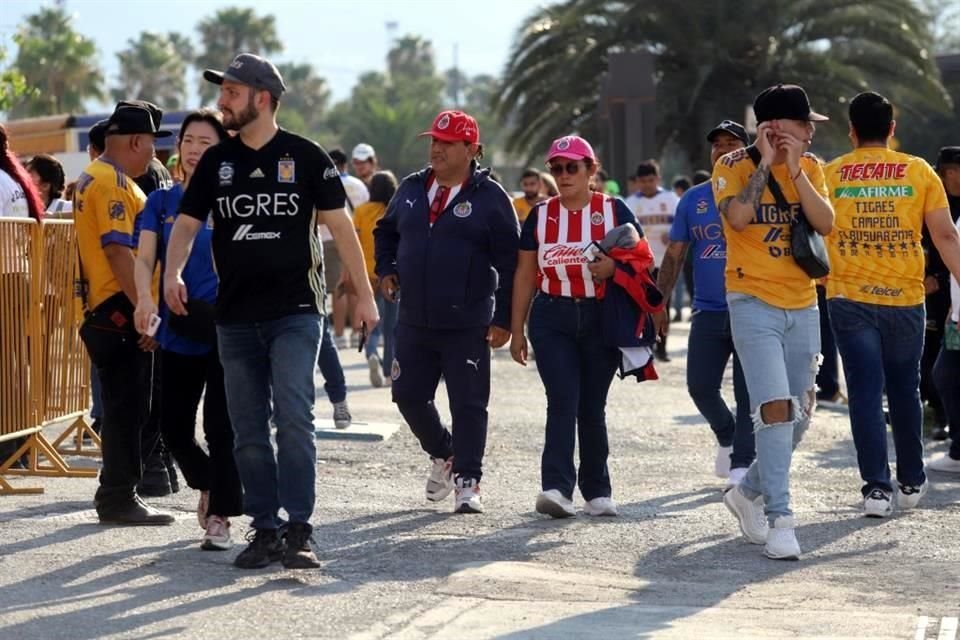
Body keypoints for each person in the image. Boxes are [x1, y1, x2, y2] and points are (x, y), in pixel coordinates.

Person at [163, 53, 378, 569]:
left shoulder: (305, 157)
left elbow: (342, 227)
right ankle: (265, 529)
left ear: (262, 98)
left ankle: (300, 529)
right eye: (222, 93)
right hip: (233, 317)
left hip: (296, 311)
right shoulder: (218, 162)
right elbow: (188, 225)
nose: (221, 102)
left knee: (295, 417)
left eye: (232, 92)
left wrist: (366, 295)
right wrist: (170, 274)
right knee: (247, 428)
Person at [374, 110, 518, 514]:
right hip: (415, 320)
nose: (436, 148)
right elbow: (385, 232)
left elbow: (511, 262)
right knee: (406, 395)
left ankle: (468, 481)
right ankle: (444, 452)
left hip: (467, 322)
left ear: (471, 149)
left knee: (468, 404)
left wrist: (505, 318)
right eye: (433, 140)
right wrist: (386, 269)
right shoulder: (410, 188)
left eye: (447, 142)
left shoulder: (491, 199)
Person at [824, 92, 960, 516]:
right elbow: (945, 236)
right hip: (905, 296)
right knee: (904, 387)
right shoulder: (918, 171)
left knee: (864, 391)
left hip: (848, 296)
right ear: (892, 129)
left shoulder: (830, 173)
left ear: (851, 130)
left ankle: (876, 490)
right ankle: (912, 479)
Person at [715, 84, 834, 560]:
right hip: (751, 299)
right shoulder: (730, 165)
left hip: (803, 302)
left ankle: (747, 493)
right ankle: (782, 518)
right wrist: (765, 162)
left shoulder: (814, 168)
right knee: (774, 408)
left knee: (800, 413)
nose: (810, 131)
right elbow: (740, 218)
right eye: (804, 123)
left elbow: (825, 223)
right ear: (777, 127)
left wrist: (795, 169)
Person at [509, 135, 638, 519]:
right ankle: (556, 488)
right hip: (552, 316)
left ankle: (597, 490)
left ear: (590, 170)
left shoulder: (615, 210)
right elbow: (525, 273)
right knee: (562, 399)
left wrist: (615, 268)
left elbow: (642, 261)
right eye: (556, 168)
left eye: (571, 167)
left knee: (592, 406)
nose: (563, 175)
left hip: (601, 316)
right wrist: (517, 329)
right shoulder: (540, 215)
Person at [133, 109, 243, 551]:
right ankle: (210, 484)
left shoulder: (234, 199)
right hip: (177, 325)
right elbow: (143, 260)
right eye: (189, 140)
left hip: (226, 327)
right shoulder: (160, 202)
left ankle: (220, 516)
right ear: (178, 146)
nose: (196, 149)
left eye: (206, 142)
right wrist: (144, 299)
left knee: (221, 427)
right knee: (173, 427)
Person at [74, 101, 174, 525]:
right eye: (152, 143)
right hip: (120, 307)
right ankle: (118, 496)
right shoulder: (114, 183)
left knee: (127, 407)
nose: (153, 153)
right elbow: (117, 251)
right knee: (127, 409)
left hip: (109, 307)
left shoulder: (94, 176)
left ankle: (119, 490)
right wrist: (145, 311)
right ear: (136, 140)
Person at [654, 120, 755, 488]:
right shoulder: (693, 199)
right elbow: (675, 253)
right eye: (718, 145)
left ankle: (743, 464)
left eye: (732, 143)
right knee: (699, 386)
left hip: (752, 308)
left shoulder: (759, 191)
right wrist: (659, 301)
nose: (724, 150)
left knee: (748, 393)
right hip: (709, 311)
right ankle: (728, 435)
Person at [0, 124, 46, 469]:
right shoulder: (14, 179)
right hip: (18, 276)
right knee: (15, 367)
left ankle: (9, 447)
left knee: (8, 368)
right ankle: (19, 443)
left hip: (5, 279)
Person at [318, 147, 364, 426]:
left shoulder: (321, 183)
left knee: (322, 339)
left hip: (310, 270)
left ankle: (339, 400)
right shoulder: (356, 184)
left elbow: (347, 225)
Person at [919, 145, 960, 441]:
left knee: (952, 358)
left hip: (956, 294)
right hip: (937, 295)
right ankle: (940, 415)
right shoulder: (932, 201)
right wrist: (926, 276)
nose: (957, 176)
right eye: (952, 171)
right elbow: (919, 242)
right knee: (933, 352)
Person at [626, 159, 680, 361]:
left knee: (663, 305)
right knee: (642, 305)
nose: (647, 184)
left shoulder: (671, 199)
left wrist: (672, 234)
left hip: (666, 262)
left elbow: (682, 224)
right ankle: (646, 345)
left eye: (651, 180)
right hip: (642, 265)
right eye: (643, 181)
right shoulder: (631, 203)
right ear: (637, 181)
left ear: (658, 178)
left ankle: (662, 346)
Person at [354, 170, 399, 387]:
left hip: (365, 273)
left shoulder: (361, 211)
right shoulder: (396, 211)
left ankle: (370, 352)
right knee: (392, 325)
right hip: (391, 274)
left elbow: (353, 243)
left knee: (368, 320)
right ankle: (390, 372)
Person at [326, 147, 369, 350]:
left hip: (326, 237)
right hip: (352, 238)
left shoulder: (324, 181)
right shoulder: (356, 185)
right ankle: (356, 333)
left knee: (337, 289)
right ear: (345, 164)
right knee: (352, 288)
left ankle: (340, 335)